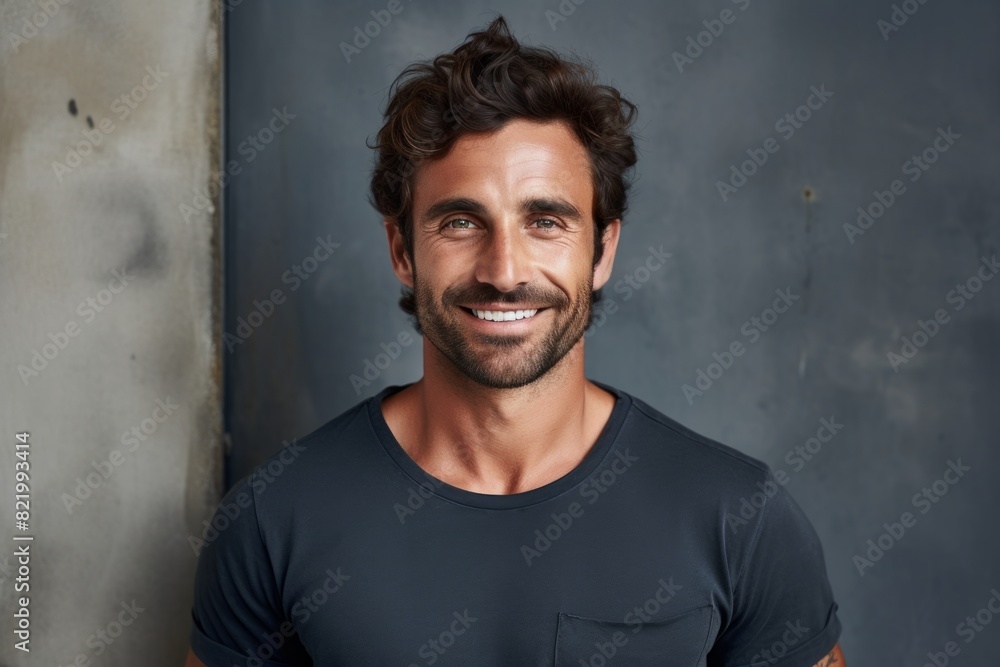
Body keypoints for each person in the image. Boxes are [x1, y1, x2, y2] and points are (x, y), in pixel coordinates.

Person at [186, 15, 845, 666]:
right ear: (402, 249)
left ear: (603, 248)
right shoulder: (273, 520)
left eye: (546, 220)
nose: (504, 271)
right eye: (461, 221)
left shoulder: (738, 517)